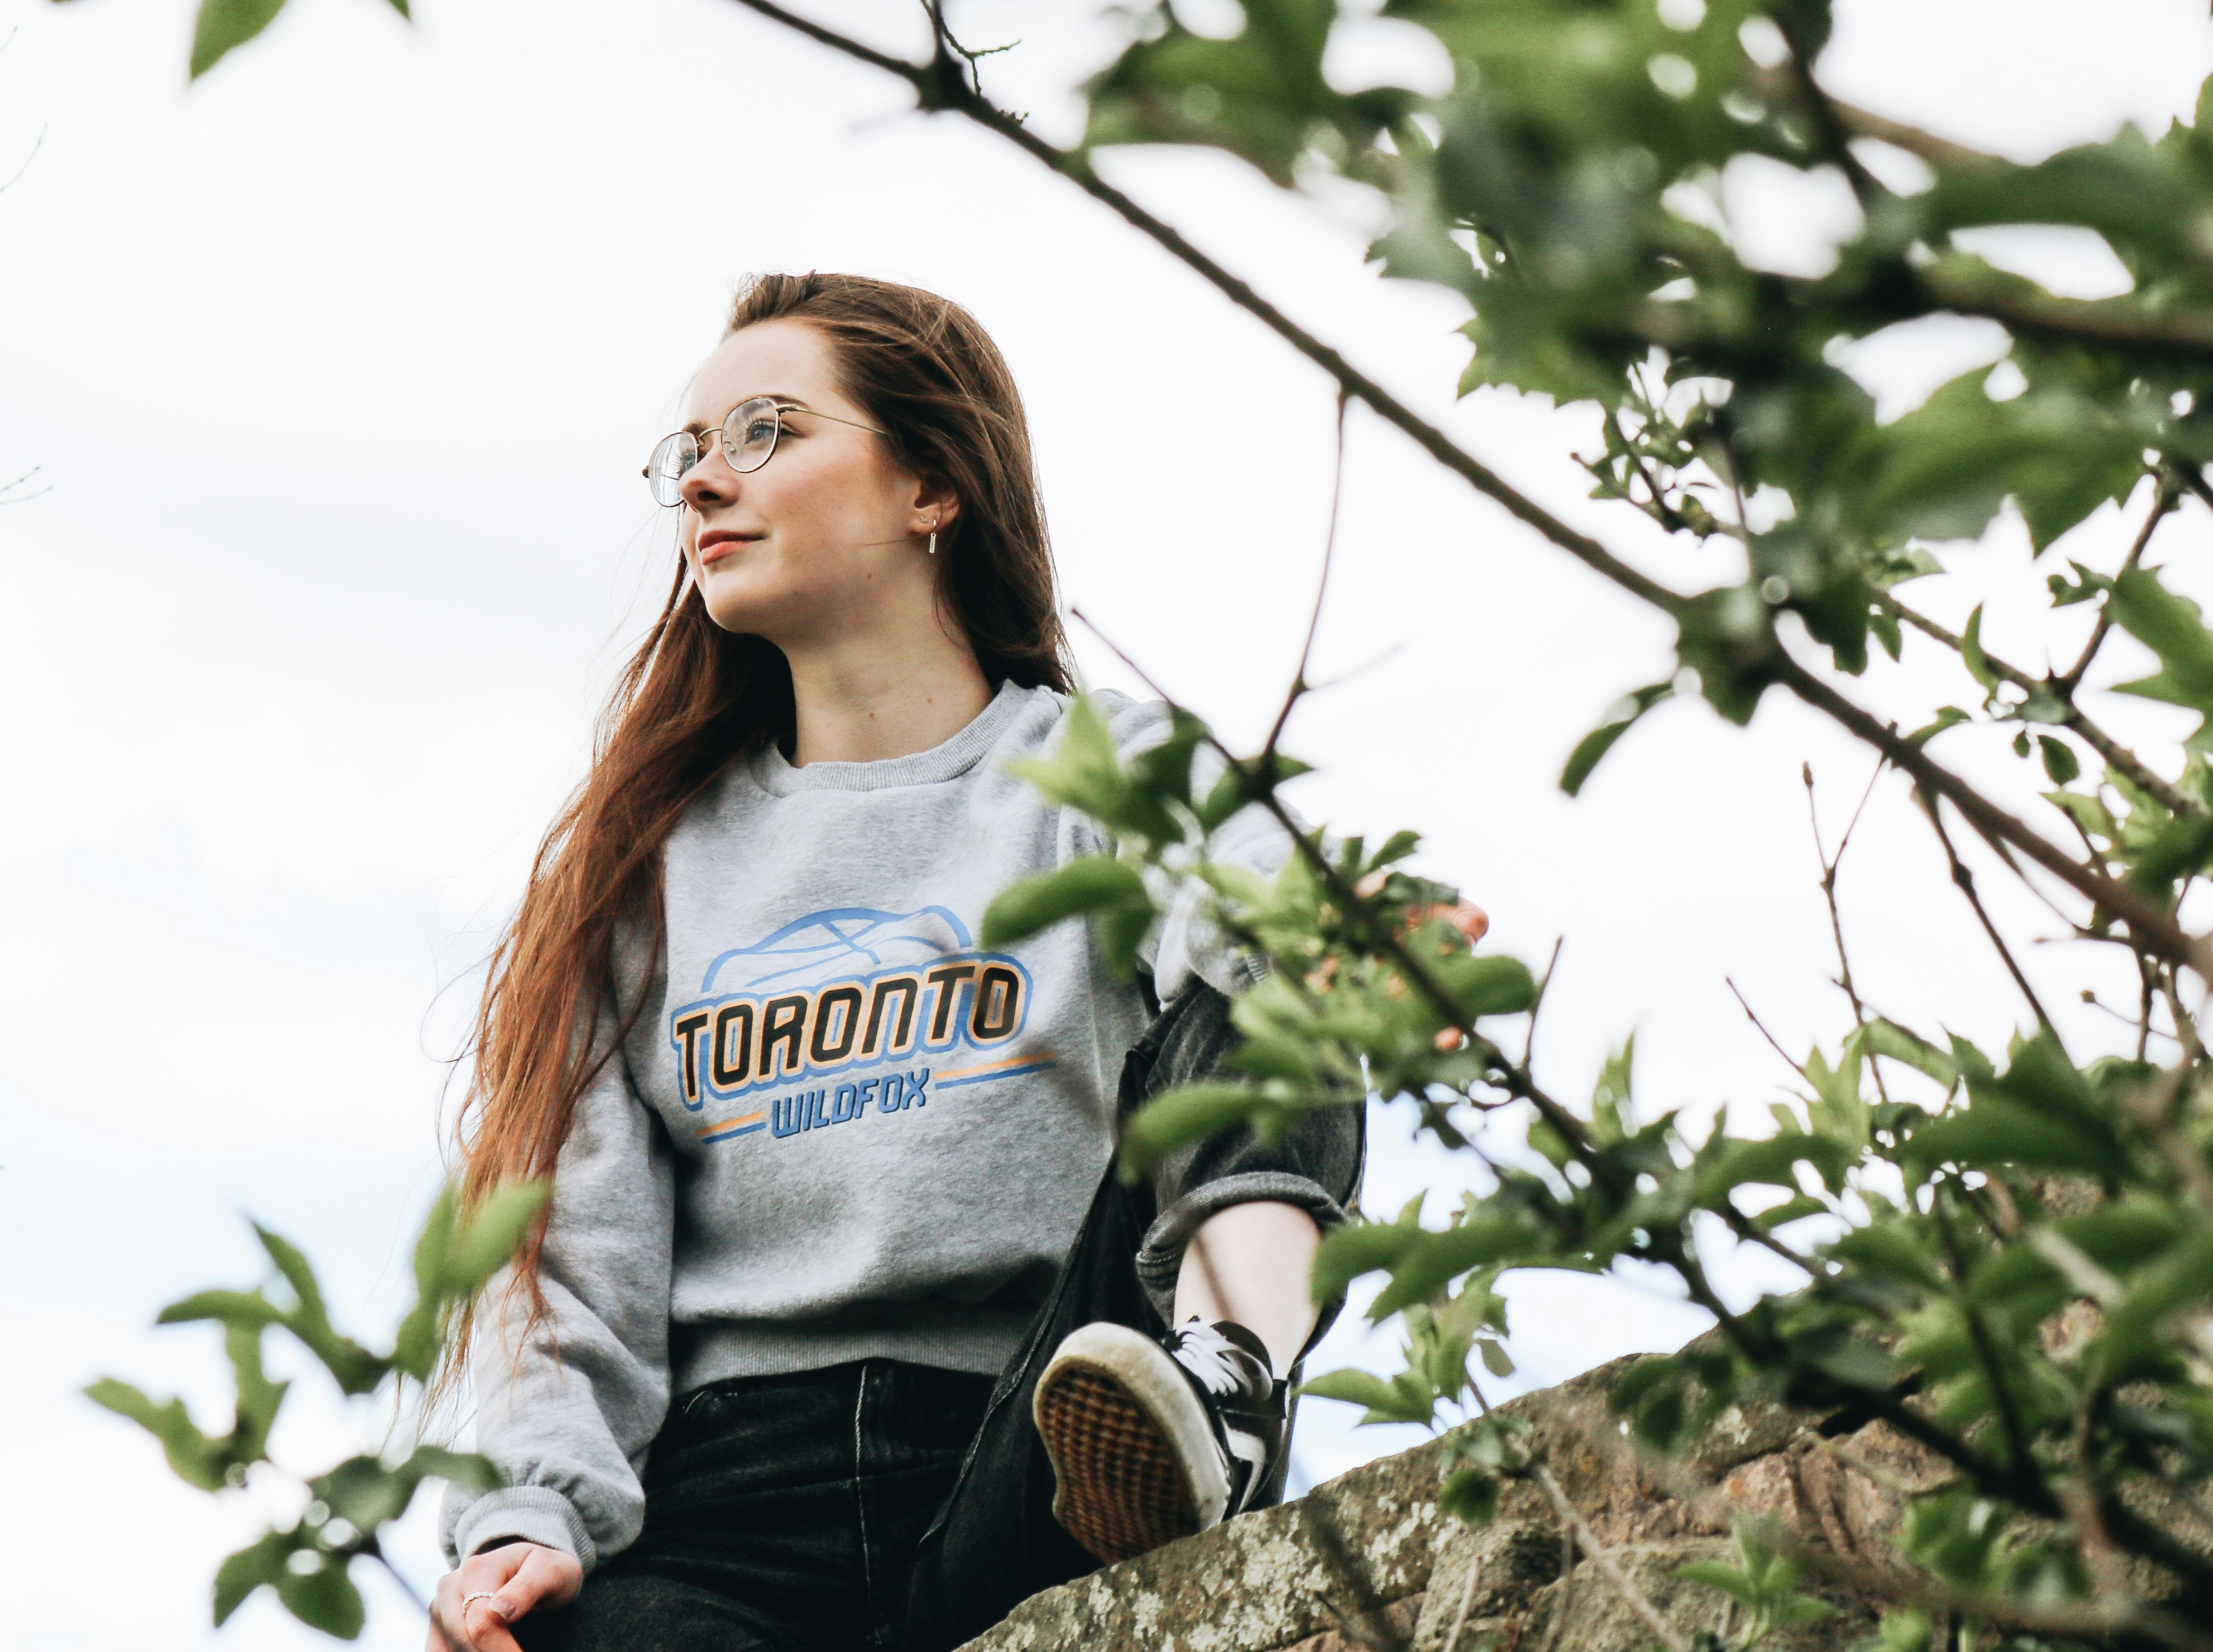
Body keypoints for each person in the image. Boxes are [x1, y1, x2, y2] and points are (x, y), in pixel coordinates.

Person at [430, 274, 1459, 1652]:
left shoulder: (1113, 778)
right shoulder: (644, 872)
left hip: (1049, 1438)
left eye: (765, 433)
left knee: (1273, 983)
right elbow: (570, 1270)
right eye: (688, 454)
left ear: (932, 486)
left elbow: (1299, 959)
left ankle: (1223, 1391)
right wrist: (522, 1523)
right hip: (725, 1518)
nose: (703, 486)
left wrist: (1365, 952)